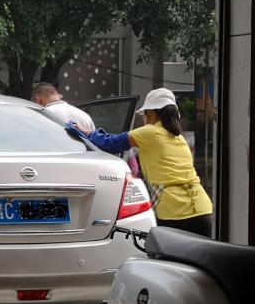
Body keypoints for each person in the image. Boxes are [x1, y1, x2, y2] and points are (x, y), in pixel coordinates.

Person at [72, 87, 213, 237]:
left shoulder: (149, 132)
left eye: (144, 116)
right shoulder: (179, 138)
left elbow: (109, 144)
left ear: (150, 113)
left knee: (168, 258)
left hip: (175, 211)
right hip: (202, 209)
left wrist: (86, 132)